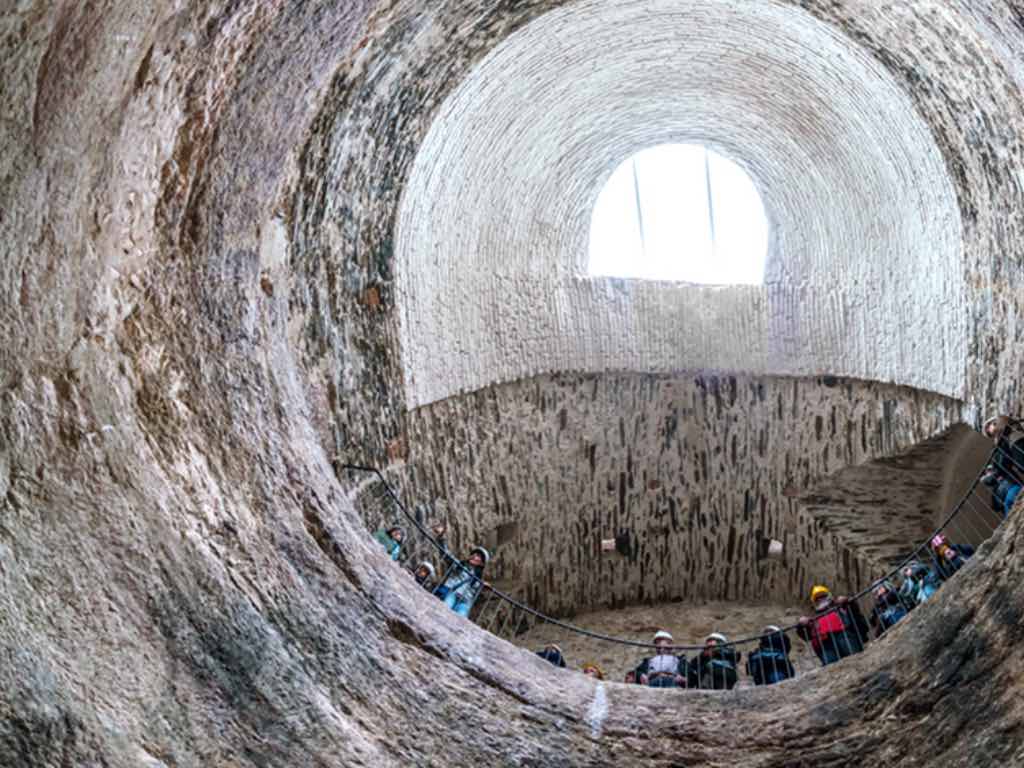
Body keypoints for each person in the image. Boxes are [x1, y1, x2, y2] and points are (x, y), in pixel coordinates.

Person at [796, 585, 869, 666]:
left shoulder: (839, 605)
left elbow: (855, 612)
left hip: (844, 636)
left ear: (828, 595)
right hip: (825, 645)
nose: (820, 599)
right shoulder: (812, 617)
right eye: (817, 599)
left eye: (823, 596)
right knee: (831, 666)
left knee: (854, 659)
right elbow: (806, 636)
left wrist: (848, 601)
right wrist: (800, 626)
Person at [434, 546, 489, 617]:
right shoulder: (459, 566)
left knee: (461, 618)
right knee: (444, 611)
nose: (474, 556)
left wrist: (483, 587)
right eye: (474, 554)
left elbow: (475, 593)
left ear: (482, 563)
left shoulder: (478, 579)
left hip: (465, 602)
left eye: (478, 556)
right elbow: (446, 554)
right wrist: (441, 540)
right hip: (452, 594)